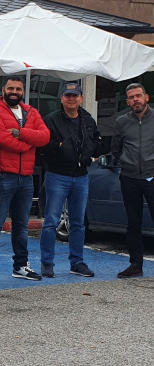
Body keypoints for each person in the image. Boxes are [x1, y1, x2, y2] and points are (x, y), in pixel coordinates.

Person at [0, 75, 50, 284]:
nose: (14, 92)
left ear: (23, 91)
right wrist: (29, 143)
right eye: (10, 88)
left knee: (21, 226)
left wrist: (20, 133)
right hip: (3, 176)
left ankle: (20, 266)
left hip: (26, 178)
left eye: (18, 89)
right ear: (3, 89)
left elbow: (45, 136)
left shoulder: (31, 111)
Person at [40, 82, 103, 278]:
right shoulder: (50, 120)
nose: (71, 99)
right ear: (61, 98)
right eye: (67, 95)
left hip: (81, 176)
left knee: (78, 223)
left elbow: (96, 141)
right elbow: (42, 145)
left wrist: (90, 155)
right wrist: (59, 147)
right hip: (57, 175)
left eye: (75, 95)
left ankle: (77, 263)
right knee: (51, 221)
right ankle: (47, 263)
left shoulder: (88, 120)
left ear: (81, 98)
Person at [111, 82, 154, 278]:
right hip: (130, 178)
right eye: (131, 97)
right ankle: (135, 265)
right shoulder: (121, 122)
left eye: (138, 95)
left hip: (152, 176)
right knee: (133, 223)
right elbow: (116, 148)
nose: (135, 99)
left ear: (146, 97)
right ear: (127, 101)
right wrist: (124, 164)